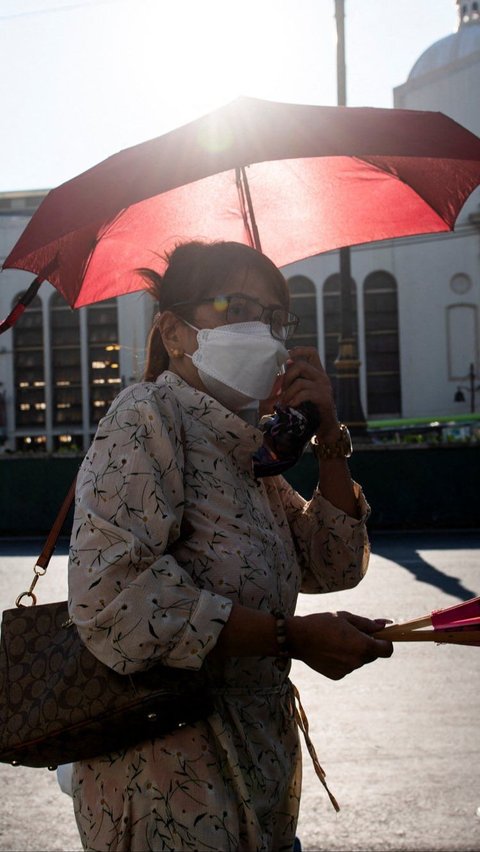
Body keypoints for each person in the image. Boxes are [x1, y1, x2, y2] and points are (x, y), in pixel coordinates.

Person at [68, 240, 393, 852]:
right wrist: (289, 636)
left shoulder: (248, 446)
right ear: (173, 330)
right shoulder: (147, 416)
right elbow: (113, 599)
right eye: (235, 306)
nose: (263, 331)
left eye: (273, 316)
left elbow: (334, 562)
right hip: (170, 780)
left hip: (261, 770)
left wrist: (328, 440)